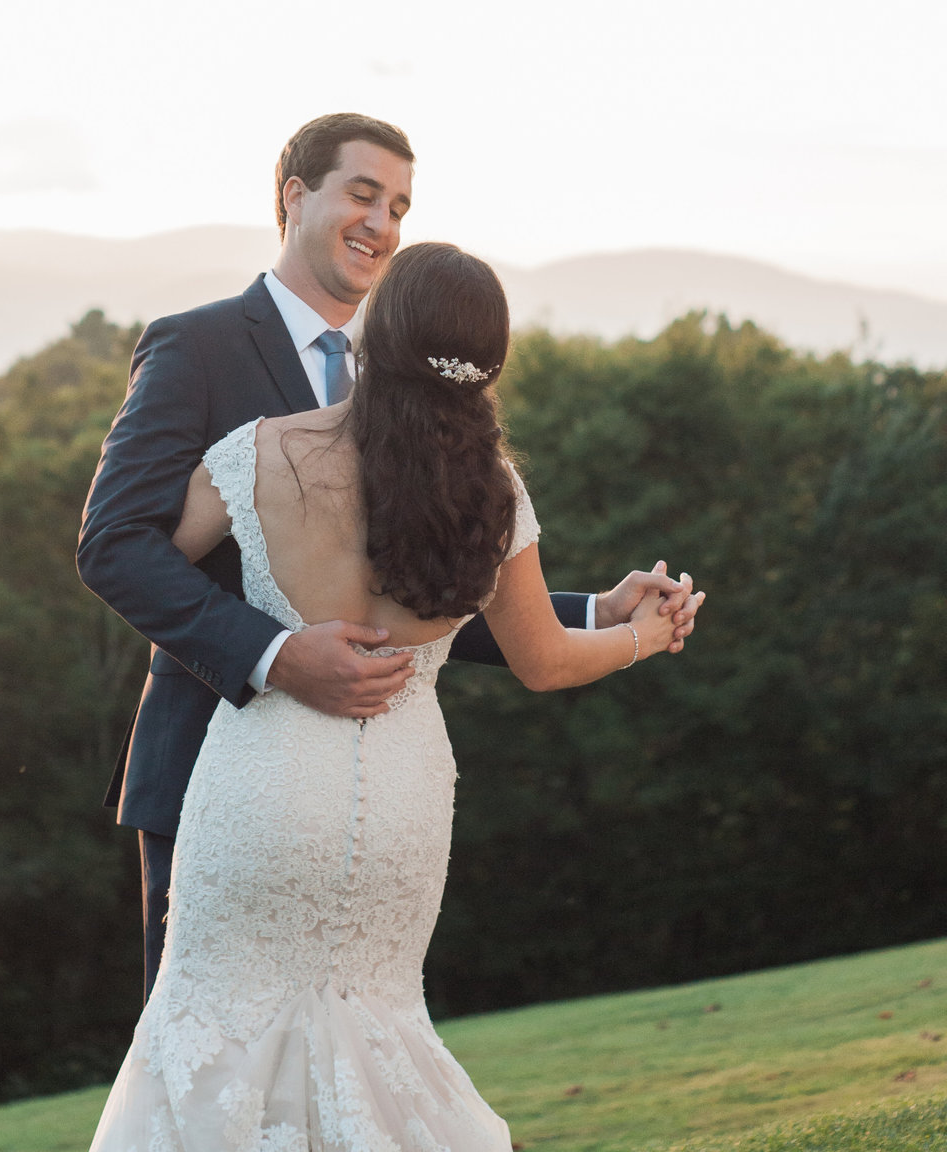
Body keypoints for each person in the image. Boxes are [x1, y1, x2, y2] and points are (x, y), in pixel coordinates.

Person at [87, 242, 695, 1152]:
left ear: (377, 333)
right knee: (377, 1035)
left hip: (263, 784)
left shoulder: (259, 452)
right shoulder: (489, 493)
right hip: (398, 814)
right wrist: (644, 631)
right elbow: (545, 659)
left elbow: (139, 555)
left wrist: (272, 622)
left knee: (213, 1032)